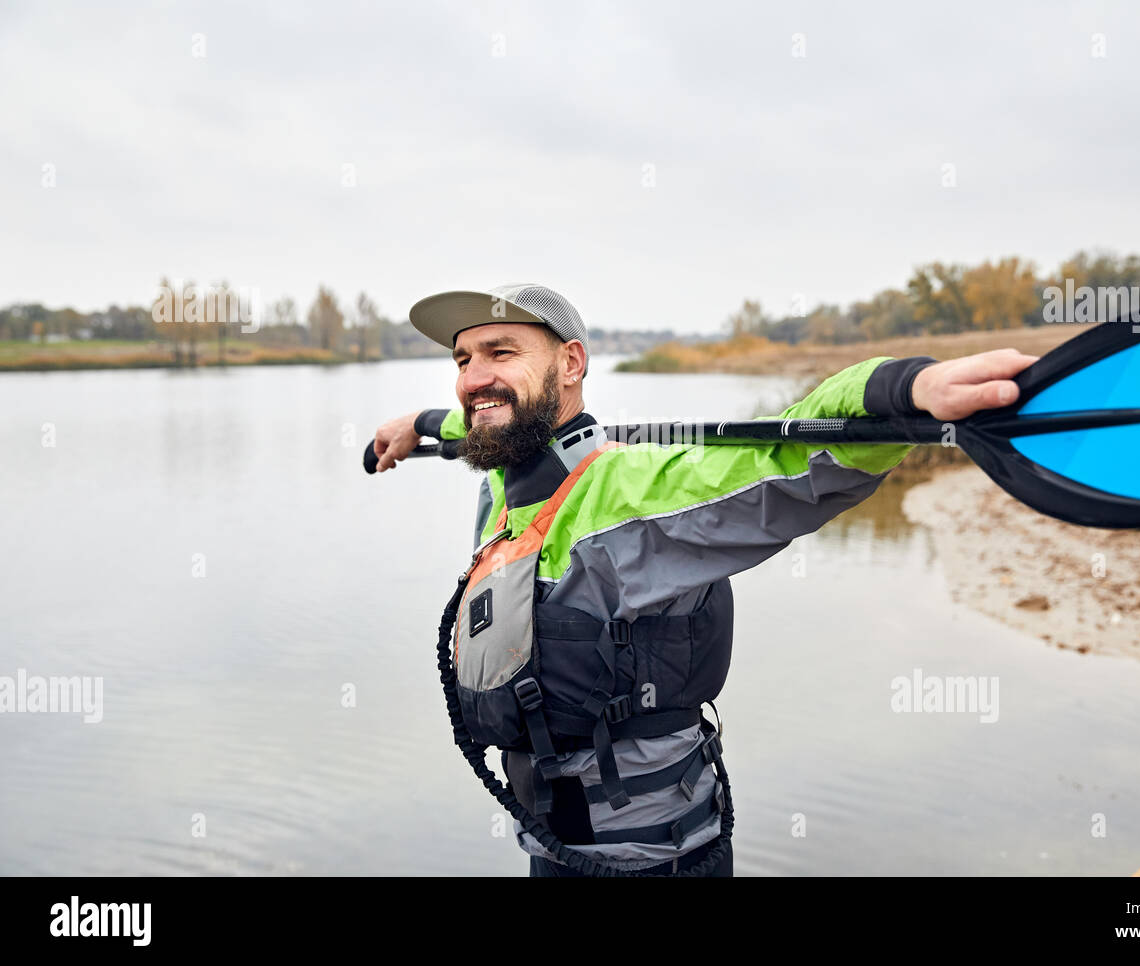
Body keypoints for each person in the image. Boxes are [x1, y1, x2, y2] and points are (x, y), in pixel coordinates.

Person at [372, 283, 1037, 877]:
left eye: (500, 352)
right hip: (552, 849)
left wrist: (904, 390)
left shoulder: (630, 494)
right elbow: (482, 416)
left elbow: (792, 456)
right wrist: (419, 425)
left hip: (656, 861)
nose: (475, 377)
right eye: (463, 361)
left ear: (570, 364)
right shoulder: (504, 471)